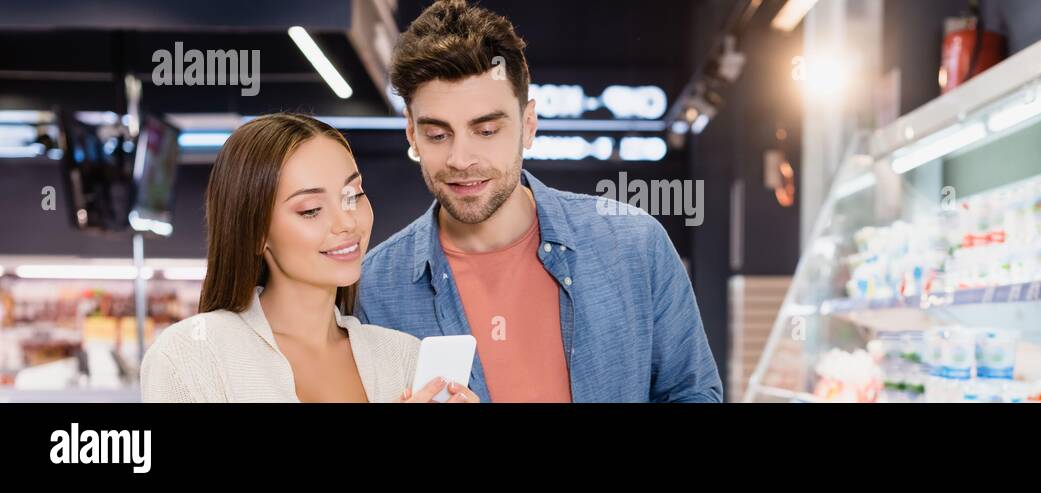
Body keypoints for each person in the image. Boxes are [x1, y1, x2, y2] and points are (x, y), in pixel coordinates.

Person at [357, 0, 723, 402]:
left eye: (487, 130)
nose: (460, 159)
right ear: (412, 133)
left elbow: (692, 392)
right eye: (438, 135)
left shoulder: (635, 246)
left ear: (528, 125)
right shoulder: (375, 289)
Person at [140, 113, 478, 403]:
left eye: (353, 195)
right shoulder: (190, 356)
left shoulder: (404, 358)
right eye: (311, 210)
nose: (347, 222)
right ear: (256, 232)